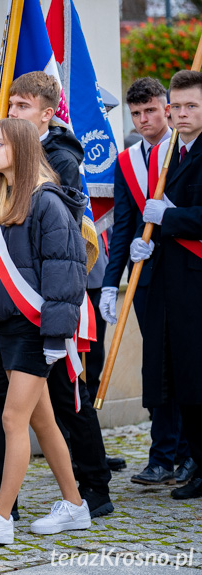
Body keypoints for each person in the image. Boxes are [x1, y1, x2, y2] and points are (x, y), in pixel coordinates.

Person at [0, 71, 115, 523]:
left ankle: (6, 514)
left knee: (23, 415)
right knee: (41, 419)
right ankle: (74, 504)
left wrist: (54, 333)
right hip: (9, 322)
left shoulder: (49, 190)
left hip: (39, 323)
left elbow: (63, 272)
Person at [100, 77, 195, 487]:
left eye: (151, 111)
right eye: (136, 113)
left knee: (186, 366)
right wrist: (109, 281)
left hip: (188, 273)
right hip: (147, 276)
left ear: (167, 109)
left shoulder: (183, 150)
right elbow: (124, 226)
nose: (143, 120)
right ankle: (161, 455)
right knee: (156, 367)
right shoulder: (127, 162)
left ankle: (189, 455)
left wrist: (166, 220)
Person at [131, 70, 202, 500]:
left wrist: (168, 217)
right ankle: (197, 462)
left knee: (197, 380)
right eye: (176, 106)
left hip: (197, 283)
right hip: (172, 286)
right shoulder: (173, 153)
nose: (181, 113)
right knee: (182, 381)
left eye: (191, 105)